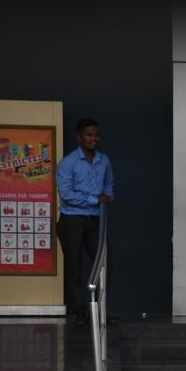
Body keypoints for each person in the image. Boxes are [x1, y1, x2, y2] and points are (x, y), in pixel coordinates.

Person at [56, 118, 114, 326]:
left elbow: (108, 184)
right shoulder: (67, 163)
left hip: (95, 221)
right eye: (88, 135)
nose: (94, 138)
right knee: (74, 267)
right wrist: (94, 200)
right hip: (72, 220)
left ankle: (99, 312)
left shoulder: (104, 160)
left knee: (104, 265)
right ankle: (79, 312)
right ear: (79, 138)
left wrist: (108, 196)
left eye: (96, 134)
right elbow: (66, 194)